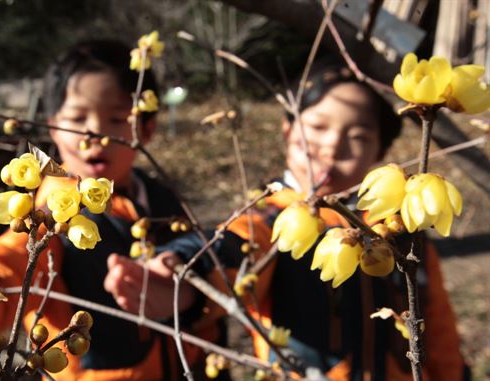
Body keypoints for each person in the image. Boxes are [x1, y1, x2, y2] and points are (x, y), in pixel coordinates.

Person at [0, 39, 221, 381]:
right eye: (77, 119)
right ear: (52, 126)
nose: (94, 133)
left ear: (147, 126)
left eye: (115, 119)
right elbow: (9, 263)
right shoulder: (43, 214)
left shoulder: (162, 198)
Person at [107, 62, 469, 381]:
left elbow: (437, 328)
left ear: (382, 151)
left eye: (358, 136)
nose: (332, 145)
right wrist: (185, 273)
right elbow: (235, 246)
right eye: (317, 126)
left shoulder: (402, 227)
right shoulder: (274, 216)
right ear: (287, 128)